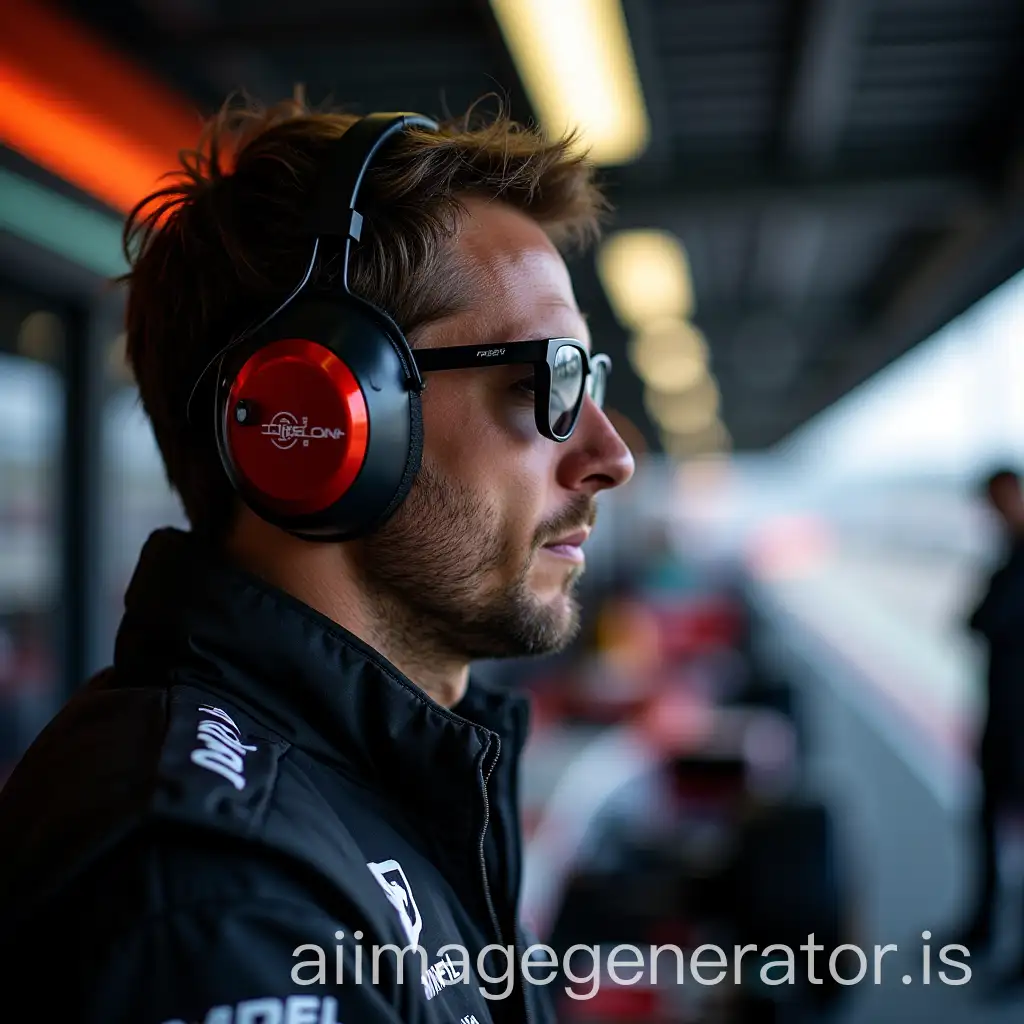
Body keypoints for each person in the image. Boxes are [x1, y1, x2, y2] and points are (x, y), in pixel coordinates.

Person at [0, 96, 634, 1023]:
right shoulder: (214, 898)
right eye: (544, 382)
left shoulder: (381, 788)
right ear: (328, 420)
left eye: (592, 379)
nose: (610, 455)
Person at [958, 467, 1024, 985]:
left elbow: (986, 619)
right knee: (983, 826)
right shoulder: (1007, 555)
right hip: (1001, 715)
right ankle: (981, 927)